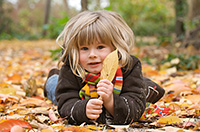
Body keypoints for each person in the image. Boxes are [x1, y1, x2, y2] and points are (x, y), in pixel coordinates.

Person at [44, 10, 165, 125]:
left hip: (121, 89)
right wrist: (83, 109)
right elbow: (65, 103)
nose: (92, 55)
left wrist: (111, 101)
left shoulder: (128, 67)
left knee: (145, 92)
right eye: (84, 48)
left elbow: (135, 108)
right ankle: (53, 78)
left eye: (100, 47)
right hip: (77, 90)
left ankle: (146, 86)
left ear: (115, 47)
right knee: (55, 91)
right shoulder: (72, 68)